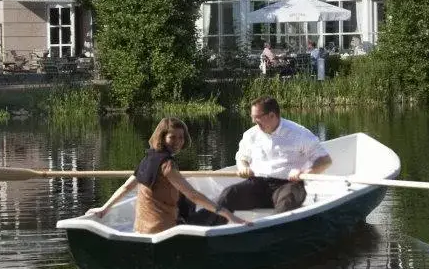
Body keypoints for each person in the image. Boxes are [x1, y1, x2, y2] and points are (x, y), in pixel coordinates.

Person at [86, 117, 246, 234]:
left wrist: (104, 209)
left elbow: (126, 187)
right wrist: (228, 214)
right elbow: (194, 195)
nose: (178, 142)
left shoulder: (147, 159)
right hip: (165, 231)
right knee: (219, 212)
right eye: (172, 137)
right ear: (162, 138)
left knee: (185, 200)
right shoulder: (167, 165)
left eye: (181, 137)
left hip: (140, 230)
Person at [217, 96, 332, 215]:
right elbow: (242, 158)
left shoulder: (299, 134)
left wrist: (305, 173)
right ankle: (212, 227)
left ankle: (274, 231)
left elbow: (325, 160)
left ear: (272, 115)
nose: (253, 121)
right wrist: (243, 168)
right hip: (258, 184)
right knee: (229, 193)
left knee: (287, 201)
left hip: (288, 185)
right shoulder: (250, 135)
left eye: (257, 118)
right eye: (252, 117)